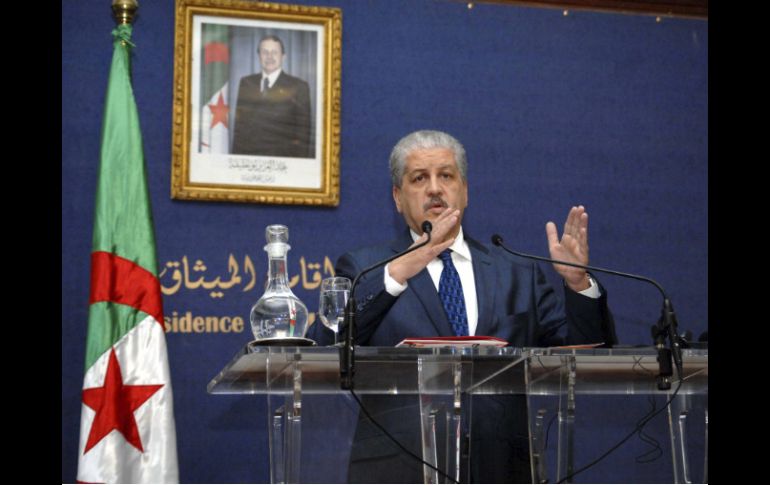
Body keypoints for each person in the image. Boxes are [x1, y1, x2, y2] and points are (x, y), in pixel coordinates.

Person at [308, 130, 616, 483]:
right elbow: (324, 347)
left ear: (465, 191)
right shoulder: (366, 269)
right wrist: (397, 274)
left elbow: (588, 354)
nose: (434, 188)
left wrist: (578, 284)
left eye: (446, 176)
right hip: (399, 469)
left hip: (501, 468)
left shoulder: (517, 272)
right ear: (397, 197)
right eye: (419, 178)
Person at [231, 35, 313, 158]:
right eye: (265, 52)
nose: (269, 57)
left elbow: (303, 136)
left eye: (274, 52)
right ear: (259, 56)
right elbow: (239, 129)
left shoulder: (299, 87)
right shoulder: (246, 82)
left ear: (283, 57)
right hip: (249, 161)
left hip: (282, 161)